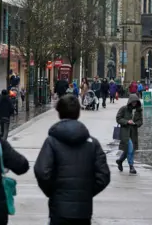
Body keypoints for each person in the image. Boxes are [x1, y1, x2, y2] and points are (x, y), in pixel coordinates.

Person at [34, 95, 110, 225]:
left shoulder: (52, 142)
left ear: (59, 113)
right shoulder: (92, 143)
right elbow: (103, 175)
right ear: (78, 113)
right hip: (83, 211)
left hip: (59, 209)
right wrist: (86, 192)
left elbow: (42, 170)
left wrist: (52, 192)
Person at [116, 94, 143, 175]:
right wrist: (127, 121)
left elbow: (140, 121)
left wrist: (136, 123)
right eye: (133, 101)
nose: (134, 103)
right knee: (130, 149)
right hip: (125, 132)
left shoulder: (138, 111)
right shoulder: (124, 109)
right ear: (130, 101)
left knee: (129, 149)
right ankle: (131, 166)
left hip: (133, 133)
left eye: (136, 102)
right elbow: (118, 118)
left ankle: (120, 161)